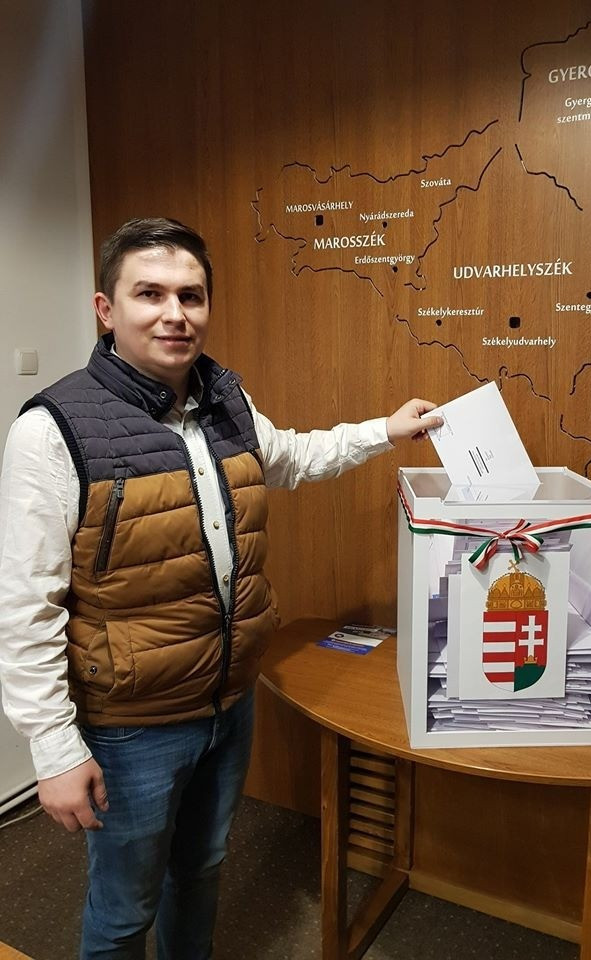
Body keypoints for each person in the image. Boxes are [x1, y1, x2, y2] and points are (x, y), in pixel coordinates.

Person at [0, 217, 441, 959]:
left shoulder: (225, 398)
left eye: (191, 295)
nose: (175, 313)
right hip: (132, 723)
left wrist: (383, 431)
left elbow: (290, 456)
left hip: (228, 703)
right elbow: (24, 606)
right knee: (124, 909)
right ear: (106, 309)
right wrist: (54, 749)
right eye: (150, 294)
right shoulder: (53, 430)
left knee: (201, 870)